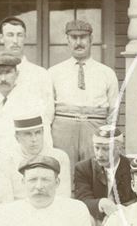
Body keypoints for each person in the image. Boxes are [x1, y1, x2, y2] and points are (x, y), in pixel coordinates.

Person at [0, 52, 52, 226]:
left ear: (16, 74)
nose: (3, 78)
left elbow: (43, 142)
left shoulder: (32, 104)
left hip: (19, 177)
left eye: (8, 72)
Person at [49, 20, 119, 174]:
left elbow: (114, 110)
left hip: (94, 128)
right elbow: (48, 110)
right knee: (63, 171)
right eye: (74, 37)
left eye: (83, 37)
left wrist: (107, 136)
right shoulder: (54, 72)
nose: (78, 42)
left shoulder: (106, 73)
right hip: (63, 128)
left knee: (95, 172)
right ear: (67, 40)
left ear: (91, 39)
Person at [0, 16, 54, 120]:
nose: (15, 41)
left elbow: (47, 113)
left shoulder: (40, 74)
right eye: (10, 35)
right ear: (1, 38)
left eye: (20, 35)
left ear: (25, 37)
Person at [74, 126, 135, 224]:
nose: (99, 154)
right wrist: (101, 203)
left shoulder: (132, 168)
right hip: (96, 218)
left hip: (126, 218)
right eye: (96, 148)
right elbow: (82, 199)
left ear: (119, 149)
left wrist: (118, 211)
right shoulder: (84, 168)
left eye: (106, 149)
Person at [9, 114, 72, 200]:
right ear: (17, 138)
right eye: (28, 134)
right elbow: (2, 201)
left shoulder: (59, 157)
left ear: (43, 133)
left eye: (37, 133)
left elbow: (64, 196)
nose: (34, 139)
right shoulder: (8, 160)